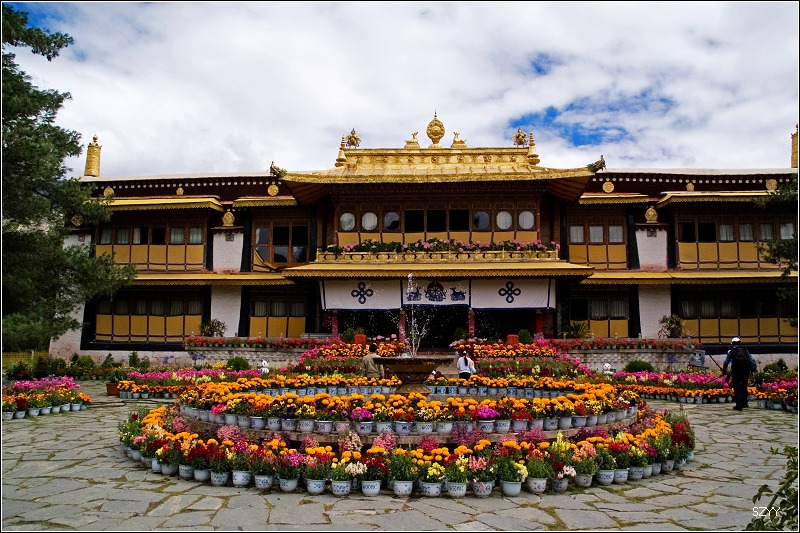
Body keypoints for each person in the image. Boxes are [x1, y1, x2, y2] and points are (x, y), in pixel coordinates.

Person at [722, 336, 756, 411]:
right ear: (740, 343)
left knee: (737, 387)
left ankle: (738, 405)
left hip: (736, 371)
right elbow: (751, 361)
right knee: (744, 386)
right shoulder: (745, 350)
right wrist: (752, 370)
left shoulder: (730, 351)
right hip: (746, 370)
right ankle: (745, 403)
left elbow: (726, 362)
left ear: (732, 344)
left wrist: (724, 371)